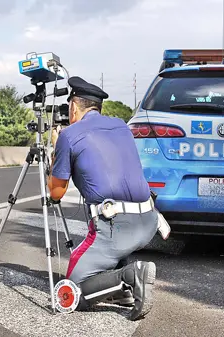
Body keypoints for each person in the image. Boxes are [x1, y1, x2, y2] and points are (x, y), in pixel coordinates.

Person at [47, 76, 159, 321]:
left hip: (115, 227)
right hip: (149, 220)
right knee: (109, 248)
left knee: (72, 291)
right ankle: (123, 291)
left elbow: (56, 193)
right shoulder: (121, 125)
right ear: (98, 107)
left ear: (73, 107)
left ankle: (131, 276)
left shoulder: (69, 135)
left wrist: (56, 151)